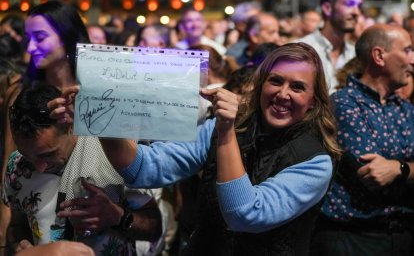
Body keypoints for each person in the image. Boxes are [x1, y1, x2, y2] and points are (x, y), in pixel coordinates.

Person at [51, 42, 339, 255]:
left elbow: (245, 214)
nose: (283, 93)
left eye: (298, 87)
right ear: (262, 85)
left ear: (314, 101)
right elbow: (146, 169)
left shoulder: (316, 161)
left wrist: (226, 131)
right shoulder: (225, 128)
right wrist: (100, 115)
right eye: (275, 81)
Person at [3, 84, 162, 255]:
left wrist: (117, 216)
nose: (39, 167)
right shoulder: (17, 166)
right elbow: (17, 224)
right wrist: (21, 245)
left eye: (48, 154)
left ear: (70, 126)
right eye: (27, 155)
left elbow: (155, 228)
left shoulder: (113, 155)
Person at [311, 24, 414, 256]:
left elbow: (390, 172)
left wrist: (399, 168)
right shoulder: (345, 103)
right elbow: (374, 174)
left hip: (403, 236)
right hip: (353, 239)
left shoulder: (405, 108)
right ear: (379, 56)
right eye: (407, 50)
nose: (413, 59)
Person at [0, 1, 91, 255]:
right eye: (28, 39)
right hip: (40, 223)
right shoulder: (21, 91)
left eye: (39, 38)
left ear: (67, 35)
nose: (30, 48)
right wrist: (7, 240)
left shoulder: (95, 91)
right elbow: (12, 160)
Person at [295, 0, 363, 94]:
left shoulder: (356, 55)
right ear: (327, 8)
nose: (356, 12)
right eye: (349, 4)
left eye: (359, 6)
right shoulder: (299, 50)